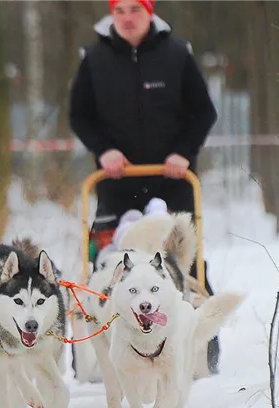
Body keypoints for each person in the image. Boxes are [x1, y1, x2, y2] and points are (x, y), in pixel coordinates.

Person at [68, 0, 221, 374]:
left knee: (185, 265)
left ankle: (202, 350)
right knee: (110, 262)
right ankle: (96, 355)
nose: (127, 18)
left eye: (134, 9)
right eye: (119, 11)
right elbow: (80, 115)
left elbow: (203, 112)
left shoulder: (176, 55)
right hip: (116, 183)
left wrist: (183, 152)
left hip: (172, 181)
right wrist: (104, 151)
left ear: (149, 12)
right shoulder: (94, 59)